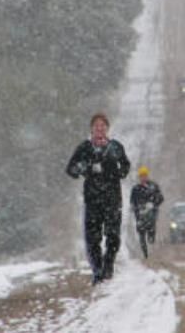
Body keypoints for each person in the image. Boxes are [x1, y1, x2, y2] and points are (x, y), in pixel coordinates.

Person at [66, 113, 131, 285]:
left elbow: (126, 167)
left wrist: (116, 170)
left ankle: (108, 265)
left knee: (113, 235)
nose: (99, 129)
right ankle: (97, 269)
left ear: (107, 129)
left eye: (103, 126)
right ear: (91, 129)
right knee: (92, 238)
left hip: (113, 198)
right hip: (93, 199)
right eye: (96, 126)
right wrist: (86, 167)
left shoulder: (116, 147)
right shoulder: (85, 148)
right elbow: (71, 169)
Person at [130, 165, 164, 259]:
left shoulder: (153, 186)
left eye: (144, 175)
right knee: (141, 234)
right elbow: (132, 202)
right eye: (141, 176)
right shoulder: (136, 189)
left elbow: (161, 198)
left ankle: (151, 237)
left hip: (151, 214)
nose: (143, 178)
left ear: (147, 176)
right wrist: (135, 208)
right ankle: (145, 254)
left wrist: (153, 204)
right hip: (140, 215)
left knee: (151, 229)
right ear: (139, 177)